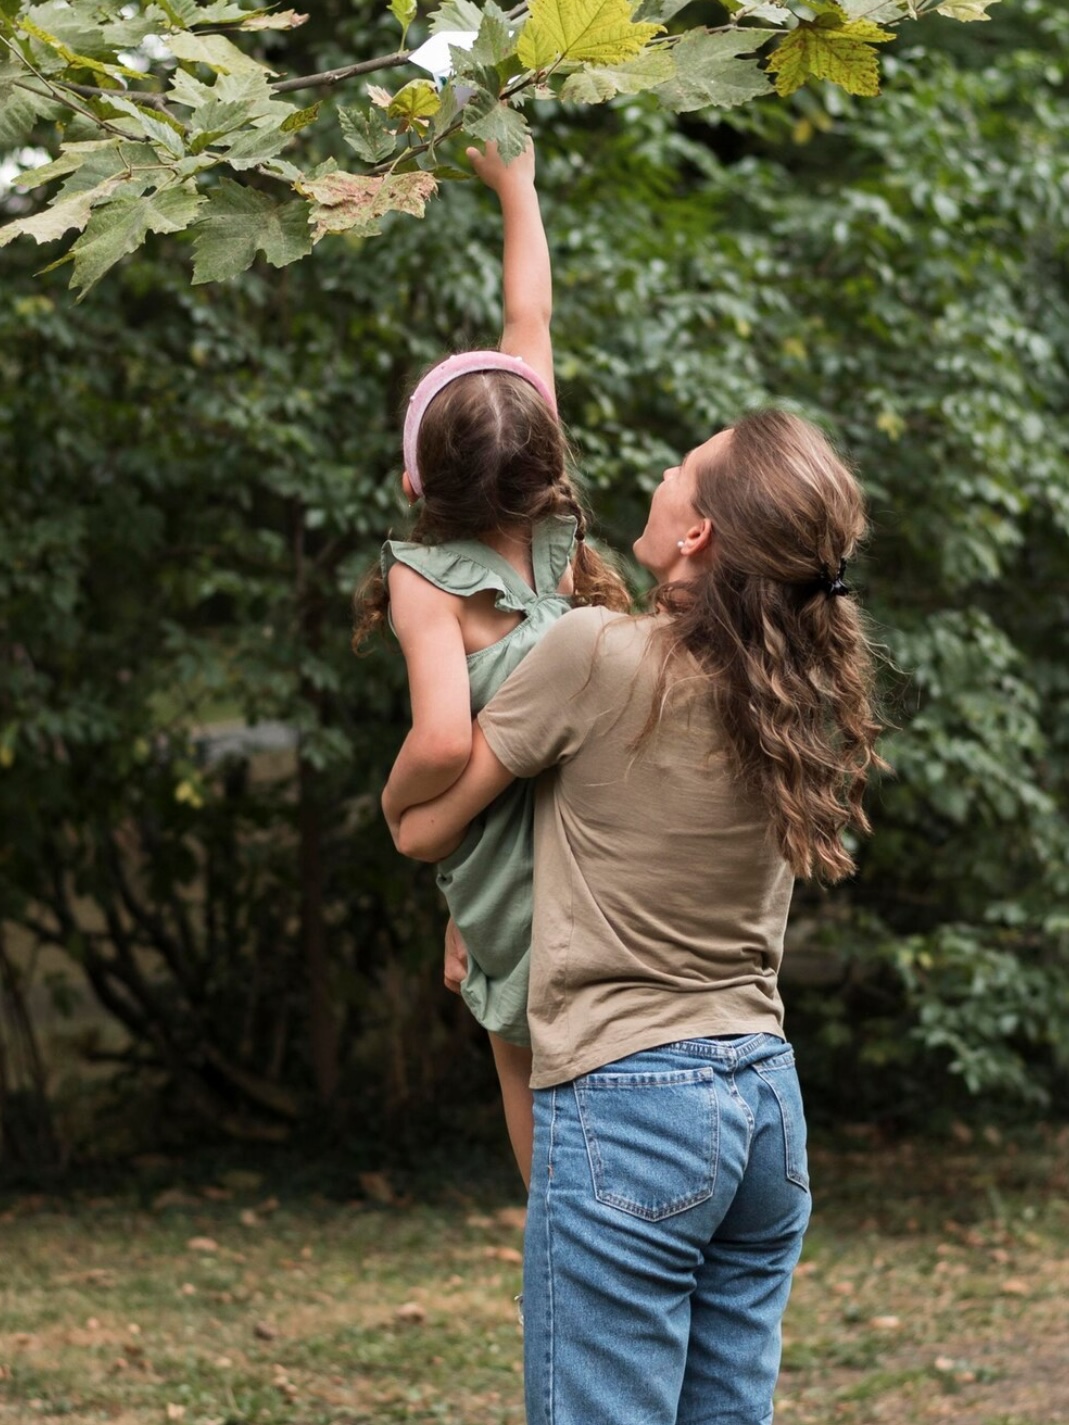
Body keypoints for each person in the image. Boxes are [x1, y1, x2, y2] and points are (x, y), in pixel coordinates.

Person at [390, 409, 886, 1424]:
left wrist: (399, 807)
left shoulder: (592, 656)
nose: (659, 476)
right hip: (763, 1113)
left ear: (697, 532)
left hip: (630, 1106)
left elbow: (431, 827)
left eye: (680, 470)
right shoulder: (790, 690)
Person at [353, 140, 629, 1188]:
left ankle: (556, 1229)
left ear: (417, 478)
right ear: (544, 462)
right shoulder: (554, 541)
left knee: (522, 1066)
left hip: (503, 867)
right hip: (589, 825)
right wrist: (516, 183)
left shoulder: (425, 579)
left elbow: (439, 741)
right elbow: (532, 321)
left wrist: (397, 812)